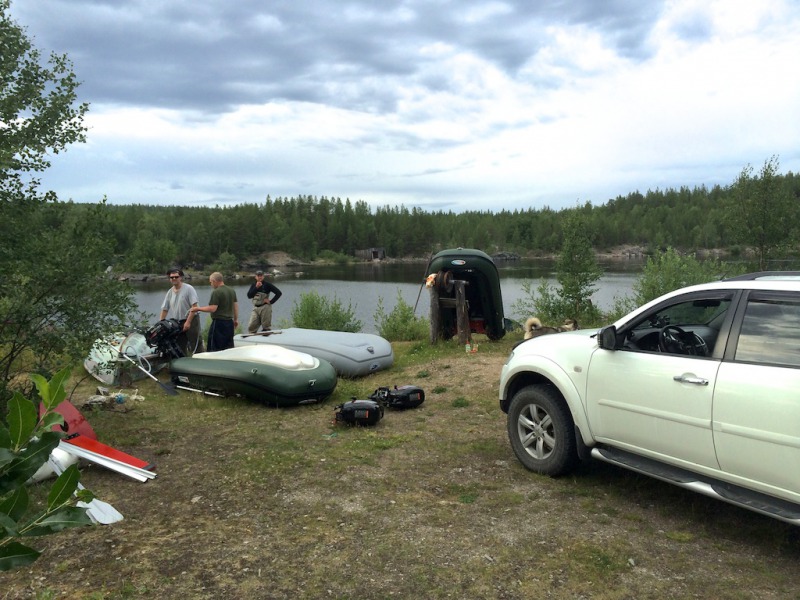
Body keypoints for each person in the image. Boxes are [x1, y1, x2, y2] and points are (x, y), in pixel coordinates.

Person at [159, 268, 204, 356]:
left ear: (181, 277)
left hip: (191, 319)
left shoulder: (189, 289)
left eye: (176, 277)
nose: (174, 279)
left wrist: (188, 322)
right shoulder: (169, 292)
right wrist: (161, 323)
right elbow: (165, 309)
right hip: (178, 322)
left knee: (195, 343)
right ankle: (183, 363)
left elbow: (194, 307)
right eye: (172, 277)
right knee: (180, 344)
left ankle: (201, 361)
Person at [190, 272, 238, 351]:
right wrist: (236, 320)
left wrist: (197, 309)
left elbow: (212, 308)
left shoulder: (216, 292)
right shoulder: (231, 290)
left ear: (214, 281)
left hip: (219, 323)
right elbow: (235, 306)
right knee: (228, 347)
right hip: (229, 322)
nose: (211, 284)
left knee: (214, 347)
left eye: (211, 282)